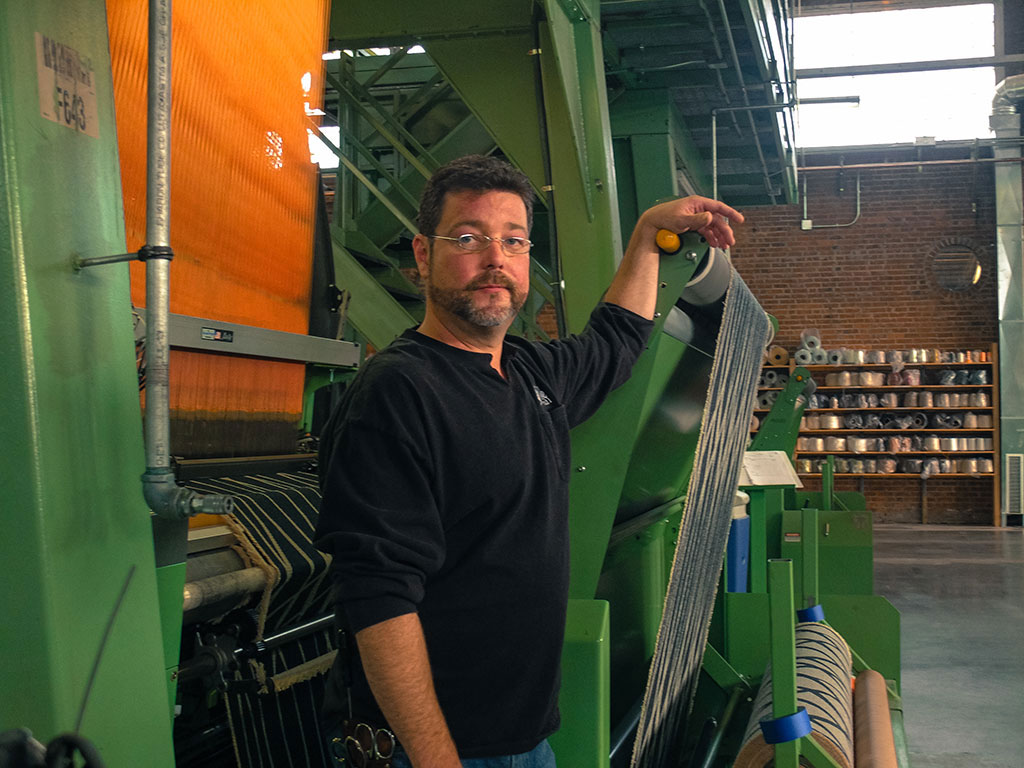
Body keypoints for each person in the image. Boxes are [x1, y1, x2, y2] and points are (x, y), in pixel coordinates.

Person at [314, 154, 742, 768]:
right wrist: (435, 756)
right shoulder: (398, 393)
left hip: (525, 739)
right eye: (469, 238)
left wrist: (648, 238)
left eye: (513, 242)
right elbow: (379, 598)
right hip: (432, 749)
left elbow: (616, 341)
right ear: (421, 255)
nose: (495, 259)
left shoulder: (528, 372)